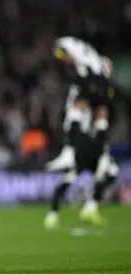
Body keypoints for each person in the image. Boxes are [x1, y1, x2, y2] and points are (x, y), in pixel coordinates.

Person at [44, 37, 119, 228]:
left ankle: (56, 213)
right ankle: (88, 207)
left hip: (84, 141)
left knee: (73, 176)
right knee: (106, 172)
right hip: (88, 142)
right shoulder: (93, 87)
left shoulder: (84, 84)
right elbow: (92, 117)